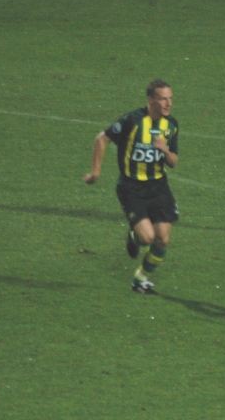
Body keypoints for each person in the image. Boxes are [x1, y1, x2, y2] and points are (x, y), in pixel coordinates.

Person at [83, 79, 179, 294]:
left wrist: (164, 150)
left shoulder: (171, 125)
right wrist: (96, 172)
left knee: (162, 239)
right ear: (150, 100)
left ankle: (140, 279)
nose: (168, 103)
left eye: (170, 98)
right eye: (163, 98)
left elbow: (173, 162)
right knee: (147, 238)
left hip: (159, 187)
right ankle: (135, 236)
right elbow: (101, 139)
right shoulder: (132, 121)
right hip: (131, 187)